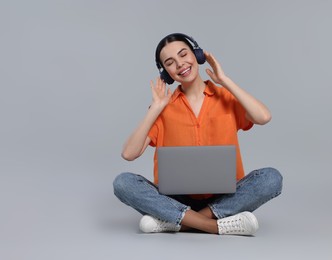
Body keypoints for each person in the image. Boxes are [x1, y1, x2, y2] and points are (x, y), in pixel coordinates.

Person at [113, 33, 282, 236]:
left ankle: (177, 221)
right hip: (176, 198)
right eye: (170, 62)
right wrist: (155, 108)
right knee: (123, 183)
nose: (180, 64)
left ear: (197, 55)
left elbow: (263, 116)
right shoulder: (162, 109)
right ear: (165, 72)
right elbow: (129, 154)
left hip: (223, 196)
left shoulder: (225, 97)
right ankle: (215, 226)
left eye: (184, 54)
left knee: (271, 179)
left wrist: (225, 81)